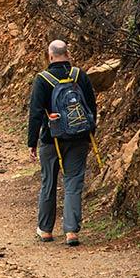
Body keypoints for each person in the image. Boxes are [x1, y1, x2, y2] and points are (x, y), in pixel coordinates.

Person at [27, 40, 97, 246]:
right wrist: (90, 134)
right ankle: (71, 232)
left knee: (49, 182)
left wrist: (32, 142)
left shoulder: (42, 80)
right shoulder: (79, 75)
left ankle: (45, 230)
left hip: (51, 139)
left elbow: (36, 114)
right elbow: (91, 107)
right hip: (79, 138)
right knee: (73, 182)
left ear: (50, 56)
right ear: (68, 53)